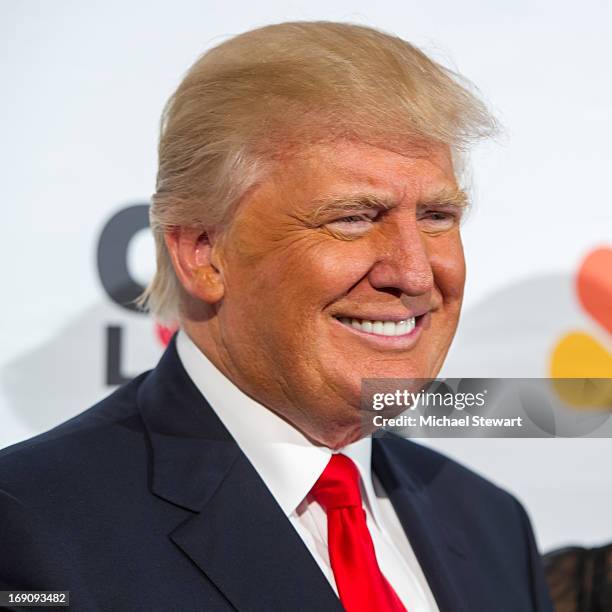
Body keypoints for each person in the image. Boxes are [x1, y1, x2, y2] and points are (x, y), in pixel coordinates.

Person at [0, 21, 553, 612]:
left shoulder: (492, 525)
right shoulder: (31, 528)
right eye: (354, 217)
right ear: (203, 254)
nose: (415, 274)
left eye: (438, 216)